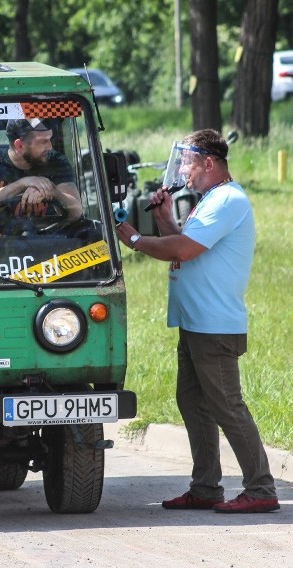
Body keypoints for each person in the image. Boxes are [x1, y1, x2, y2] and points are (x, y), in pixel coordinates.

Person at [115, 129, 279, 514]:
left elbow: (184, 250)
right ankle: (205, 488)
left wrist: (136, 240)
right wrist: (164, 219)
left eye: (188, 161)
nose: (183, 169)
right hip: (195, 323)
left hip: (214, 326)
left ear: (209, 163)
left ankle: (261, 488)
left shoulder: (227, 200)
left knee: (226, 406)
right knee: (192, 402)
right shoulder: (209, 201)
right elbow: (188, 250)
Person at [0, 118, 81, 222]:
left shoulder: (56, 162)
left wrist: (52, 191)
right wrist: (22, 184)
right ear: (19, 146)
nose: (50, 147)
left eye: (50, 139)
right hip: (1, 240)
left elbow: (76, 211)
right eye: (44, 141)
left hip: (50, 237)